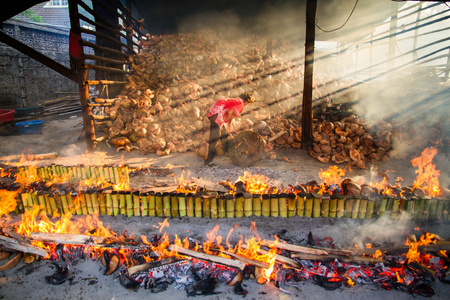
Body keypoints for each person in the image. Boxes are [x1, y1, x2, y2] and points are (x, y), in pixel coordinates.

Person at [204, 92, 255, 167]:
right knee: (214, 139)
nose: (246, 105)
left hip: (215, 110)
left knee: (224, 135)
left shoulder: (236, 100)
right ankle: (208, 162)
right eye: (248, 103)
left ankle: (230, 153)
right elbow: (231, 112)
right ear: (246, 101)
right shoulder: (240, 103)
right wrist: (229, 124)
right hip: (218, 113)